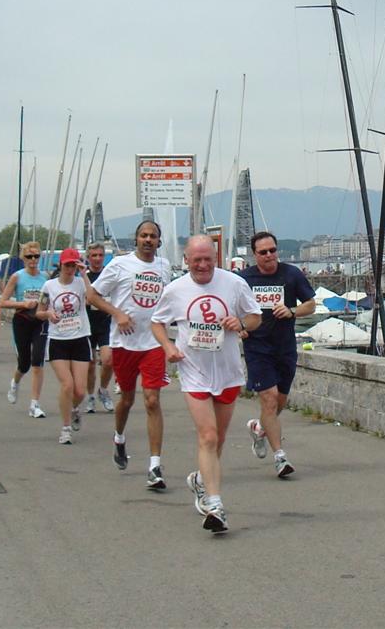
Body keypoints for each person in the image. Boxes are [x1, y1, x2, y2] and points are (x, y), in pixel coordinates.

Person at [151, 234, 261, 534]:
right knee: (208, 436)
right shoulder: (175, 290)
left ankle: (200, 480)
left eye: (207, 260)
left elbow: (255, 317)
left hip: (227, 371)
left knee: (219, 439)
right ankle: (215, 505)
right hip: (193, 370)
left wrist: (240, 323)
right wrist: (167, 348)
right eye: (196, 260)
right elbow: (156, 323)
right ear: (186, 260)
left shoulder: (234, 284)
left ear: (216, 258)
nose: (202, 265)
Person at [88, 221, 172, 489]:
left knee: (151, 400)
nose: (148, 240)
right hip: (124, 343)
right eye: (143, 235)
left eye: (153, 236)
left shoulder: (164, 267)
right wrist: (118, 314)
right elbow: (93, 295)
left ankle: (155, 466)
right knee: (126, 399)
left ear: (159, 241)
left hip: (154, 343)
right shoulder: (120, 265)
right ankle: (119, 437)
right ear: (136, 239)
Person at [239, 231, 316, 478]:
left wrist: (292, 310)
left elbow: (311, 304)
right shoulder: (243, 279)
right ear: (255, 255)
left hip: (284, 348)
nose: (270, 255)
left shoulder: (291, 274)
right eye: (263, 252)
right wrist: (240, 327)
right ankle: (280, 458)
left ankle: (260, 427)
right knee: (269, 399)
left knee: (279, 402)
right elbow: (231, 308)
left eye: (273, 250)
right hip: (257, 348)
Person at [38, 248, 93, 444]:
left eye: (73, 265)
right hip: (58, 340)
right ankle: (66, 427)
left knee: (80, 390)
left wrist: (84, 274)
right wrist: (48, 315)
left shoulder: (80, 283)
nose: (70, 269)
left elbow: (93, 299)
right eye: (67, 265)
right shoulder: (49, 286)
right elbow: (39, 311)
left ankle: (75, 408)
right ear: (60, 265)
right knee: (67, 384)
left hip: (79, 338)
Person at [0, 241, 48, 417]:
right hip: (22, 320)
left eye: (36, 256)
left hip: (40, 321)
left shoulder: (46, 277)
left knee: (38, 361)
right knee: (25, 363)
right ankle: (15, 382)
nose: (33, 260)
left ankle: (34, 404)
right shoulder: (17, 277)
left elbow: (50, 299)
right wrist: (23, 303)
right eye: (29, 256)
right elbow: (3, 302)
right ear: (23, 258)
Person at [83, 242, 114, 414]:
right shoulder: (83, 276)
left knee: (108, 360)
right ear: (88, 258)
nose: (97, 259)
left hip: (106, 324)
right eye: (94, 255)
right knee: (90, 364)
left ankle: (103, 389)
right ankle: (90, 396)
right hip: (87, 324)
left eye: (100, 255)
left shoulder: (109, 275)